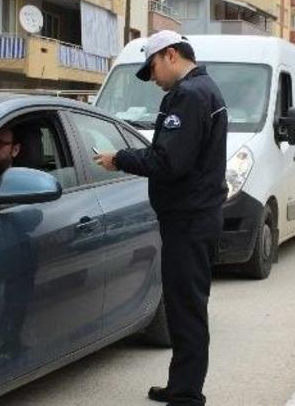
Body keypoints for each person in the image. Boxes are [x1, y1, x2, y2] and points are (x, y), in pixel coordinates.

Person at [94, 31, 227, 406]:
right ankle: (181, 384)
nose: (152, 78)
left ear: (170, 55)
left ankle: (186, 394)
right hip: (194, 217)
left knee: (186, 309)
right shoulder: (203, 90)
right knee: (184, 306)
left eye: (151, 67)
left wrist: (119, 159)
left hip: (189, 220)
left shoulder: (189, 95)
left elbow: (169, 161)